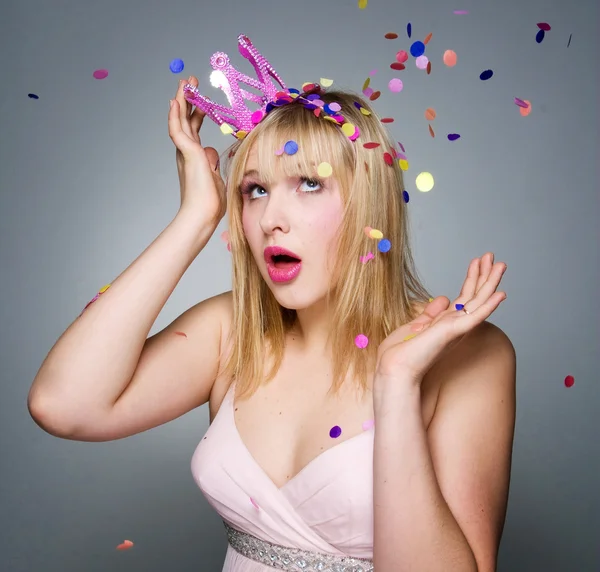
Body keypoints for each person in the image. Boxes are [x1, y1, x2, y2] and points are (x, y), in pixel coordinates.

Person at [28, 35, 516, 572]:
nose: (270, 219)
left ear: (369, 204)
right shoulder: (230, 330)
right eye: (255, 190)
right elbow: (62, 405)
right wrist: (194, 219)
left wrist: (396, 384)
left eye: (308, 183)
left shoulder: (467, 354)